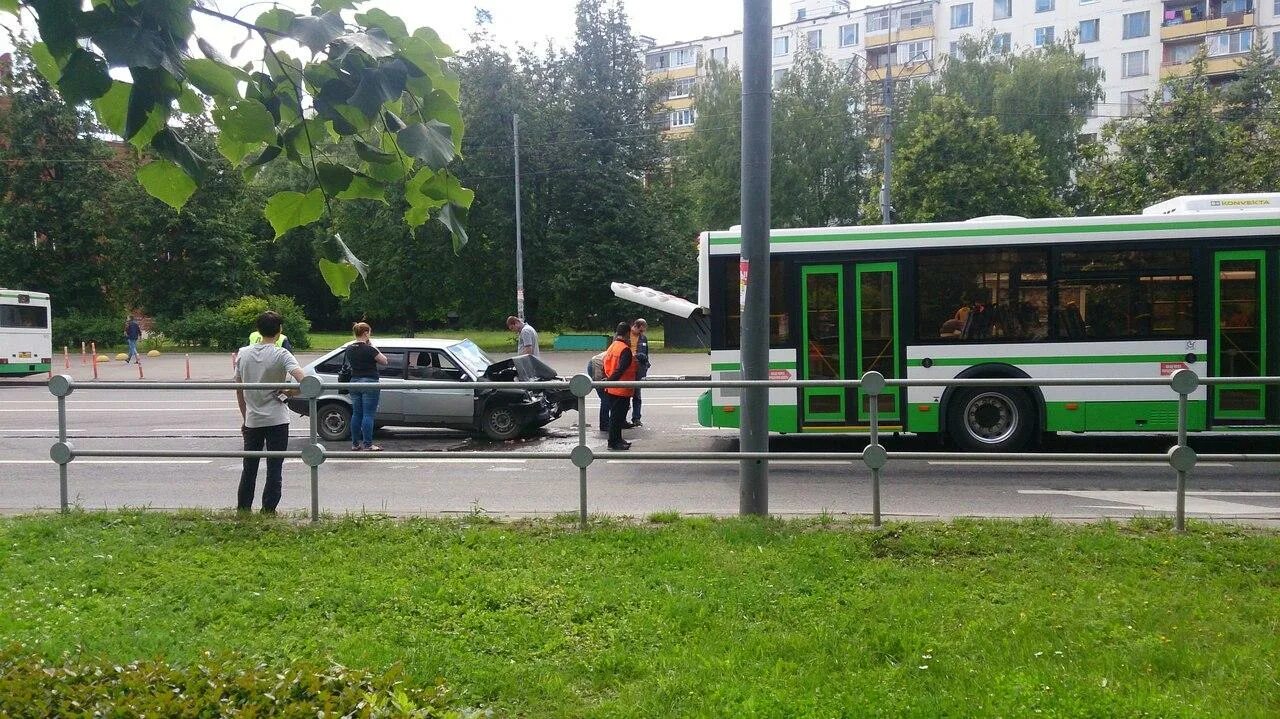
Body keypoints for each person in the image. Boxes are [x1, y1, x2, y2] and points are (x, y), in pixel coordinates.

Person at [234, 311, 305, 514]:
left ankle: (244, 508)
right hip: (277, 419)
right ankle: (268, 510)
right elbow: (305, 382)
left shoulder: (243, 353)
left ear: (258, 329)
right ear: (279, 331)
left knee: (249, 467)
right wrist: (287, 390)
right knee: (275, 467)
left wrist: (245, 416)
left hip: (253, 420)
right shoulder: (282, 354)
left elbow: (239, 389)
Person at [343, 322, 388, 451]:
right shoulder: (370, 349)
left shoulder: (349, 348)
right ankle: (368, 444)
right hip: (369, 382)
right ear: (366, 333)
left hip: (354, 382)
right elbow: (384, 361)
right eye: (369, 332)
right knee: (368, 415)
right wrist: (373, 346)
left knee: (357, 414)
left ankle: (355, 443)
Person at [602, 321, 637, 451]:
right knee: (617, 418)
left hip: (613, 388)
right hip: (621, 388)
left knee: (616, 417)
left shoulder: (613, 346)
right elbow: (621, 369)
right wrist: (612, 380)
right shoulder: (625, 349)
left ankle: (617, 439)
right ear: (628, 333)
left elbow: (606, 363)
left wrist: (609, 380)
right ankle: (613, 442)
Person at [628, 318, 650, 428]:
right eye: (640, 331)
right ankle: (622, 418)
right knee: (625, 394)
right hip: (627, 368)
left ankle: (636, 418)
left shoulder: (643, 339)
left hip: (639, 368)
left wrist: (646, 365)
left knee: (637, 394)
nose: (642, 333)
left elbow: (646, 353)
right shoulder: (625, 336)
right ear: (635, 326)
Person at [587, 350, 610, 433]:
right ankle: (604, 424)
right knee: (605, 398)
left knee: (609, 397)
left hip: (601, 365)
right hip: (596, 365)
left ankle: (608, 422)